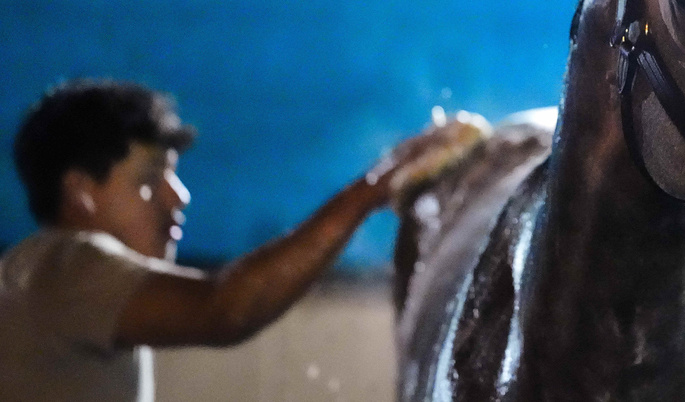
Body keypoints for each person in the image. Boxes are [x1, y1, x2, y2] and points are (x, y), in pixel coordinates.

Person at [0, 79, 488, 402]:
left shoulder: (56, 284)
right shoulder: (67, 265)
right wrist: (372, 190)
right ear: (81, 193)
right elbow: (223, 309)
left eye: (174, 178)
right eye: (149, 181)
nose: (179, 197)